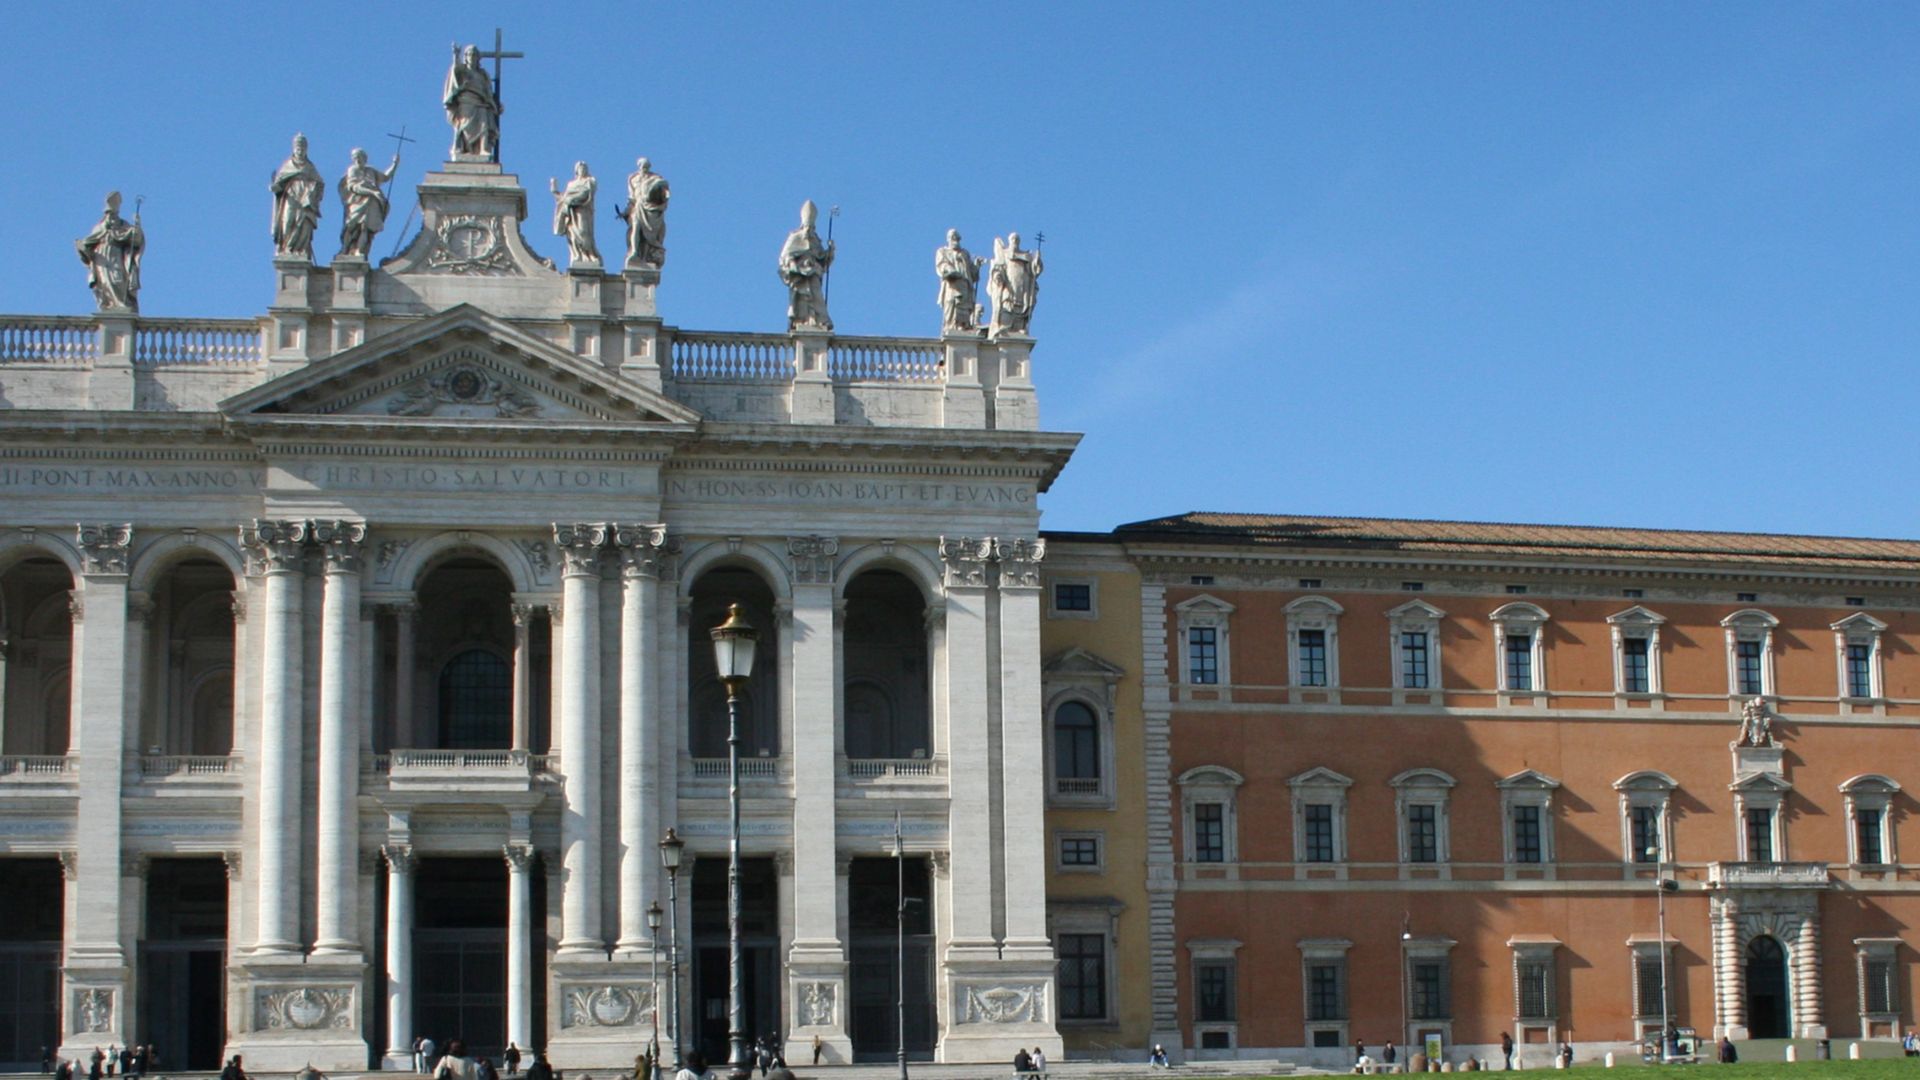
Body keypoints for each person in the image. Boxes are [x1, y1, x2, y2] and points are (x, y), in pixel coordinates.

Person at [76, 191, 144, 312]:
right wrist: (82, 248)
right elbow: (88, 244)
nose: (110, 217)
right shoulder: (99, 228)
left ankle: (121, 304)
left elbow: (136, 240)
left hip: (116, 255)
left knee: (118, 280)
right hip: (101, 257)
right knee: (105, 282)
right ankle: (110, 305)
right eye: (108, 214)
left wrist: (137, 226)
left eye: (112, 214)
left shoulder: (124, 226)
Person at [778, 200, 835, 331]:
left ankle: (820, 320)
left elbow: (822, 259)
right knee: (802, 299)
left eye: (812, 227)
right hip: (800, 275)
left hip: (814, 273)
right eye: (808, 227)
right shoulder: (795, 237)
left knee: (817, 296)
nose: (809, 230)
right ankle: (802, 321)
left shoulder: (815, 240)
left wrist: (830, 251)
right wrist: (793, 265)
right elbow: (785, 256)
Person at [338, 148, 400, 258]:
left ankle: (360, 250)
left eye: (359, 157)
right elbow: (354, 187)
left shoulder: (371, 170)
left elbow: (385, 177)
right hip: (357, 202)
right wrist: (372, 192)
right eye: (355, 158)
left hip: (372, 202)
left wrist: (395, 164)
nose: (357, 160)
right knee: (352, 226)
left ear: (365, 158)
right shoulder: (352, 170)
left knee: (366, 228)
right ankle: (347, 249)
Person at [270, 133, 324, 258]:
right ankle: (286, 247)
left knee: (304, 222)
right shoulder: (287, 166)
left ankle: (300, 249)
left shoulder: (310, 167)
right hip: (291, 195)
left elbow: (320, 183)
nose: (300, 151)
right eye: (298, 148)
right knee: (288, 220)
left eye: (303, 148)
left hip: (305, 197)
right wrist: (276, 187)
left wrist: (313, 193)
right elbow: (279, 182)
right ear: (294, 149)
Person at [443, 44, 501, 159]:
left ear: (478, 58)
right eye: (470, 54)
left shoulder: (483, 74)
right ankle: (461, 148)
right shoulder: (463, 71)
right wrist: (455, 56)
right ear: (466, 57)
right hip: (466, 101)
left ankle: (483, 149)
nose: (472, 57)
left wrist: (494, 104)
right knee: (463, 125)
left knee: (484, 125)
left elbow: (488, 91)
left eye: (474, 54)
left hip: (482, 102)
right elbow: (455, 73)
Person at [988, 231, 1043, 337]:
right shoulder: (1004, 254)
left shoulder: (1026, 256)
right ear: (1009, 241)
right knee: (1006, 306)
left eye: (1017, 239)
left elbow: (1034, 271)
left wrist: (1037, 262)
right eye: (1013, 239)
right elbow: (998, 267)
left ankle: (1019, 329)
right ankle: (1004, 328)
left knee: (1022, 309)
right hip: (1008, 288)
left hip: (1023, 290)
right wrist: (997, 276)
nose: (1015, 241)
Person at [618, 158, 670, 268]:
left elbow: (664, 189)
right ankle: (634, 251)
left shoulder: (655, 178)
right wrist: (625, 212)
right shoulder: (633, 178)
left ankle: (643, 255)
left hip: (650, 209)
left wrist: (665, 194)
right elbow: (632, 199)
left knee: (646, 238)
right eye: (642, 166)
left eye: (646, 166)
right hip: (638, 207)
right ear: (639, 166)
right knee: (635, 227)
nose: (644, 168)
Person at [936, 229, 985, 333]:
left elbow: (972, 273)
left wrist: (977, 265)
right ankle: (951, 326)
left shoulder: (965, 253)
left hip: (965, 284)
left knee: (964, 306)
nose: (955, 240)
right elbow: (941, 264)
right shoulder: (942, 251)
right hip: (952, 284)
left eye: (957, 238)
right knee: (951, 303)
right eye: (952, 237)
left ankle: (962, 326)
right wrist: (950, 269)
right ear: (948, 239)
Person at [550, 163, 599, 266]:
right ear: (576, 171)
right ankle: (578, 255)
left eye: (585, 168)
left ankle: (589, 255)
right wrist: (555, 191)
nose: (583, 170)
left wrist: (571, 199)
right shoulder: (571, 184)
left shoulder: (590, 181)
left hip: (583, 210)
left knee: (583, 232)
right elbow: (563, 199)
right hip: (571, 213)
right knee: (573, 235)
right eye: (581, 168)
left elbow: (585, 193)